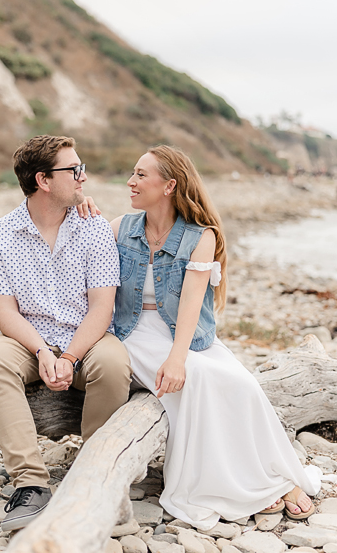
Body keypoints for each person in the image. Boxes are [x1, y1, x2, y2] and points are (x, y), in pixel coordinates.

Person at [110, 144, 320, 529]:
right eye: (133, 173)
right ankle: (246, 486)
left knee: (242, 383)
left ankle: (278, 476)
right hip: (131, 332)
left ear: (169, 185)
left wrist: (177, 357)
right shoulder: (120, 228)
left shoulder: (200, 236)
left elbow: (191, 303)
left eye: (141, 174)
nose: (131, 181)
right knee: (205, 379)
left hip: (185, 334)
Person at [0, 135, 132, 532]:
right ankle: (30, 483)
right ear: (43, 180)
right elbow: (4, 313)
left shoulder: (93, 227)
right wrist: (43, 352)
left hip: (88, 338)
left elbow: (102, 307)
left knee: (114, 364)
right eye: (74, 169)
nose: (84, 177)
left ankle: (96, 472)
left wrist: (68, 357)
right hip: (27, 340)